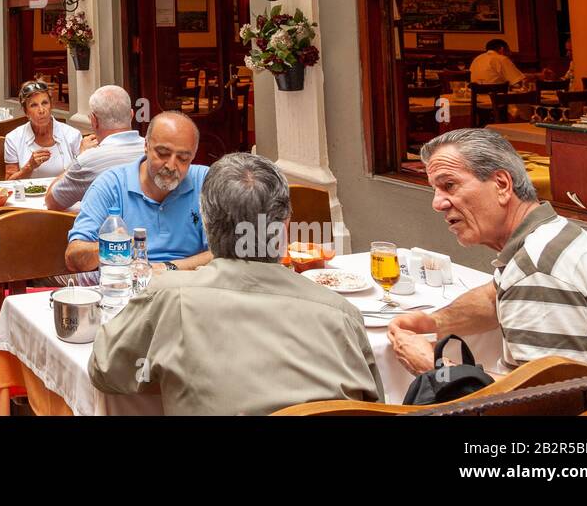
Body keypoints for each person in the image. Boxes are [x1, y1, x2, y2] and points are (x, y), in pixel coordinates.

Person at [89, 153, 383, 415]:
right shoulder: (343, 314)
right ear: (284, 227)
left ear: (206, 223)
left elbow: (105, 370)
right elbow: (373, 406)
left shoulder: (170, 297)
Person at [389, 128, 587, 374]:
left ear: (501, 184)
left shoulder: (537, 273)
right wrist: (435, 323)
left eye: (449, 185)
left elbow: (541, 401)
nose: (437, 203)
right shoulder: (551, 234)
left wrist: (433, 367)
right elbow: (494, 297)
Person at [65, 111, 213, 274]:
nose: (171, 165)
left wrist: (167, 268)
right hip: (126, 287)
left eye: (183, 158)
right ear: (146, 146)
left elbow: (228, 256)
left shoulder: (207, 182)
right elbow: (73, 259)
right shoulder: (111, 185)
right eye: (162, 153)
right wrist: (109, 245)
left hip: (189, 286)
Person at [45, 85, 146, 212]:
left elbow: (52, 202)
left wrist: (80, 157)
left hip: (108, 230)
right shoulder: (154, 151)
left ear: (94, 120)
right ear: (131, 115)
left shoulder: (88, 161)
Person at [4, 80, 81, 180]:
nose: (41, 110)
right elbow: (9, 182)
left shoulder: (72, 134)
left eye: (44, 103)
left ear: (51, 106)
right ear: (26, 111)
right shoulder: (13, 138)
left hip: (64, 193)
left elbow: (84, 175)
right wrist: (29, 167)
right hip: (29, 194)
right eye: (34, 105)